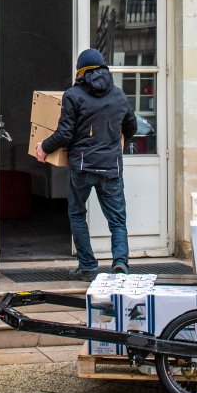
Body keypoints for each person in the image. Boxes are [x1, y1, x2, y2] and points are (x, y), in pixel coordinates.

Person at [36, 48, 137, 282]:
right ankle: (120, 264)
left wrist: (45, 147)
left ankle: (88, 267)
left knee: (77, 215)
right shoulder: (119, 95)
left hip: (82, 167)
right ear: (102, 68)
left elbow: (65, 133)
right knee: (117, 221)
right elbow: (131, 127)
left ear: (80, 71)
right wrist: (114, 143)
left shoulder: (73, 95)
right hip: (111, 168)